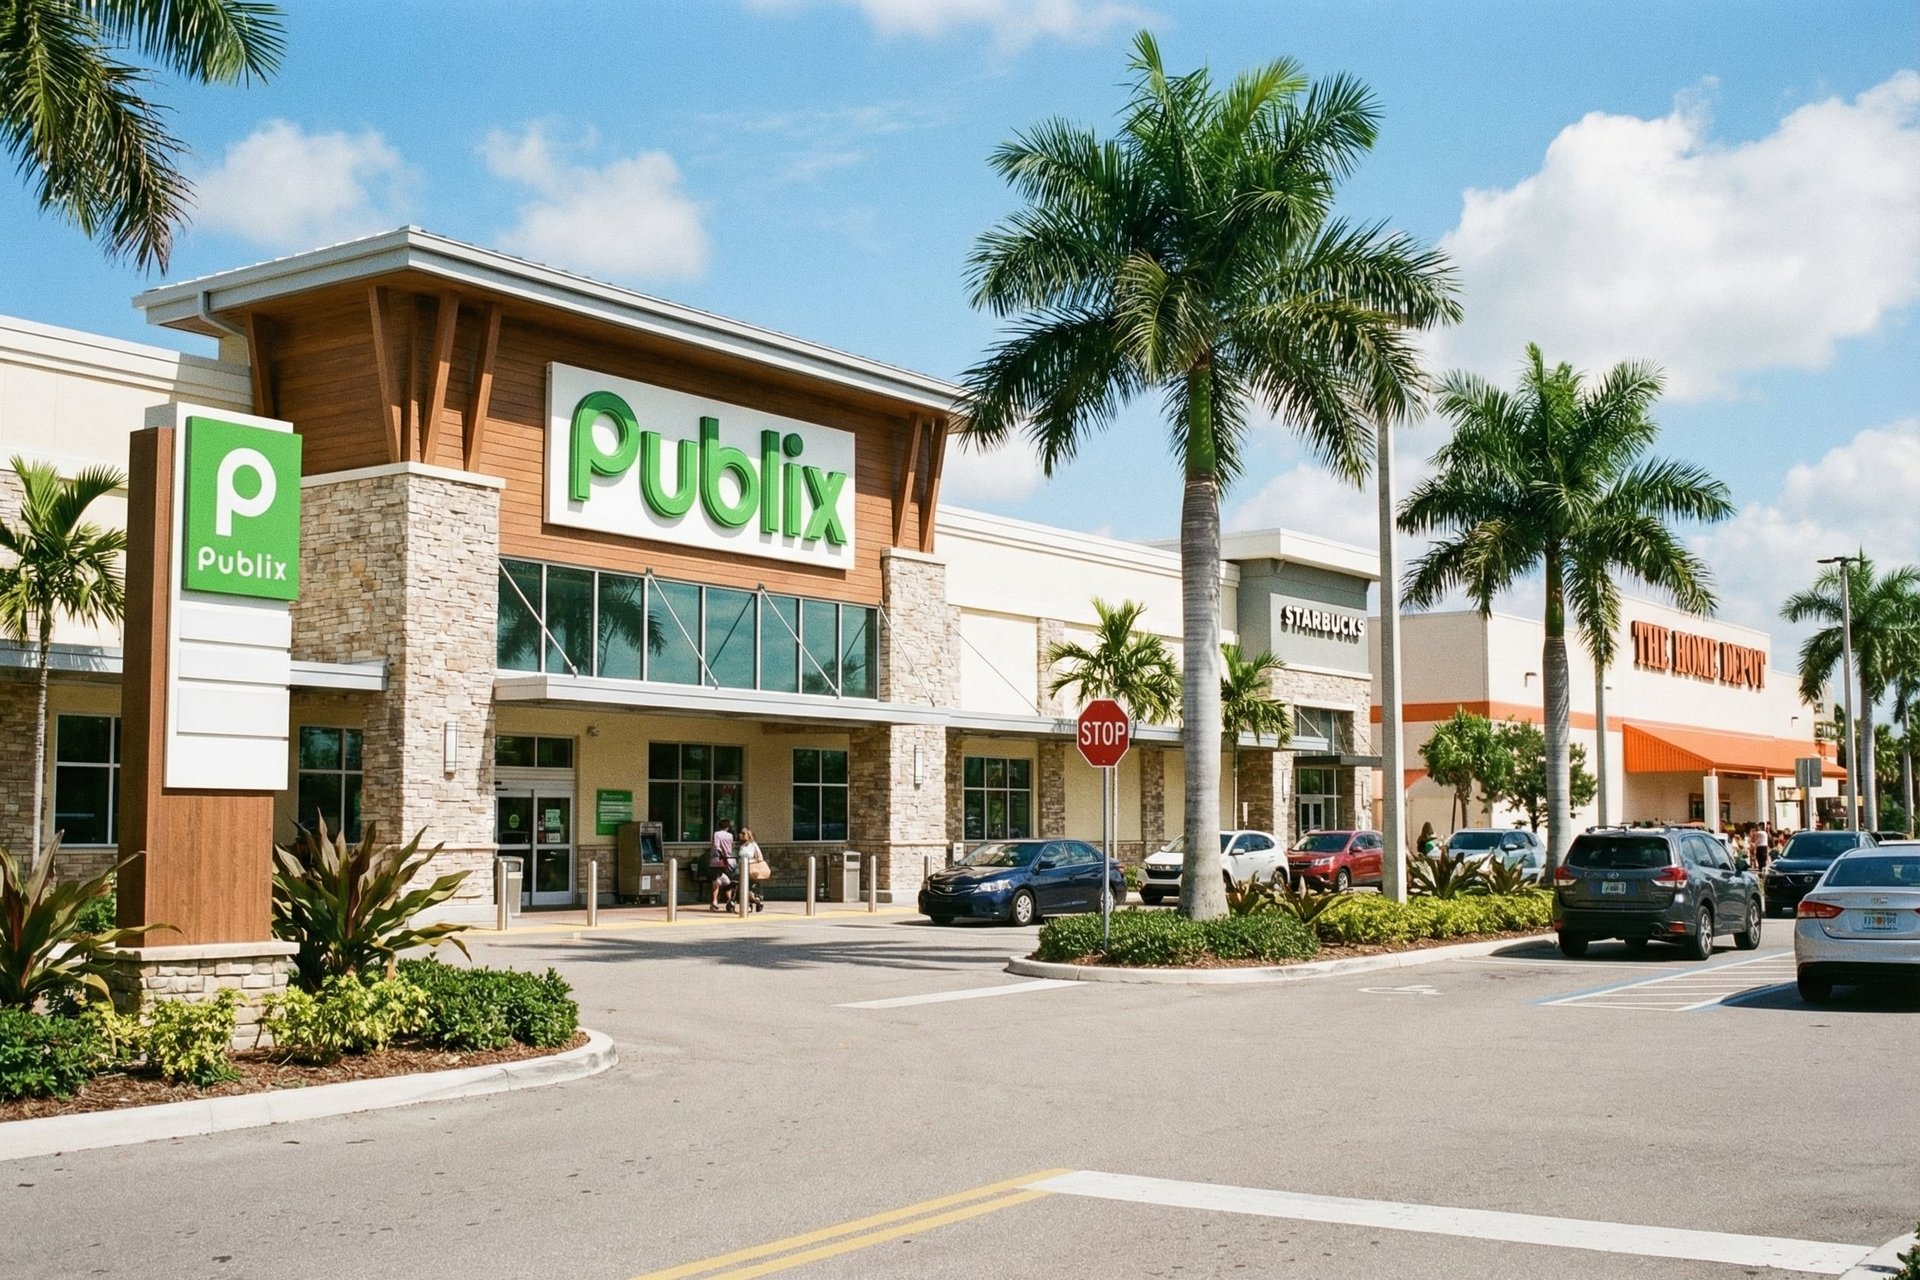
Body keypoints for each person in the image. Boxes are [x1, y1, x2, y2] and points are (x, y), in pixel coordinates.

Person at [739, 826, 769, 913]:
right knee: (743, 888)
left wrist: (748, 861)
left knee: (749, 888)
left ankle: (756, 900)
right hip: (743, 870)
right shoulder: (741, 846)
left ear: (748, 835)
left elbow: (760, 858)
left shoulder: (753, 845)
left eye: (743, 833)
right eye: (741, 833)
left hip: (752, 870)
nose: (741, 835)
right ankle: (754, 902)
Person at [709, 819, 736, 912]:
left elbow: (716, 846)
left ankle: (715, 901)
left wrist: (720, 853)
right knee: (728, 882)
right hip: (729, 861)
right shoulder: (730, 836)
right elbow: (731, 847)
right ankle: (729, 900)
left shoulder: (716, 834)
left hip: (717, 860)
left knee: (716, 881)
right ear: (728, 827)